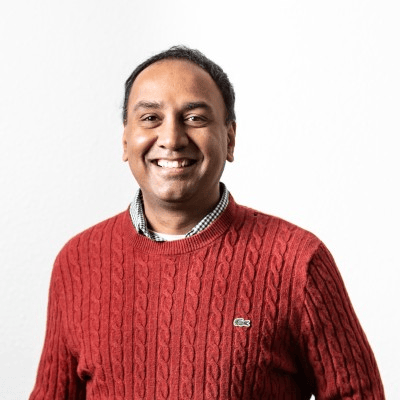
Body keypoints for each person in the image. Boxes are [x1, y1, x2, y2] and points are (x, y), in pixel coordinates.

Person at [30, 46, 384, 399]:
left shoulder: (296, 260)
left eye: (195, 118)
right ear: (125, 141)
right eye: (150, 118)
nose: (171, 139)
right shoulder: (77, 261)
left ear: (229, 138)